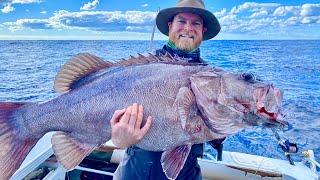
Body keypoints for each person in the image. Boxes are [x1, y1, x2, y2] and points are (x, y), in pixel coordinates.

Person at [111, 0, 221, 179]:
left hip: (186, 174)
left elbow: (216, 137)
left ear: (203, 31)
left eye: (196, 23)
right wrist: (119, 139)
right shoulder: (140, 70)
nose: (188, 28)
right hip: (134, 172)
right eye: (182, 21)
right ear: (170, 26)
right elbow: (107, 113)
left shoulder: (215, 79)